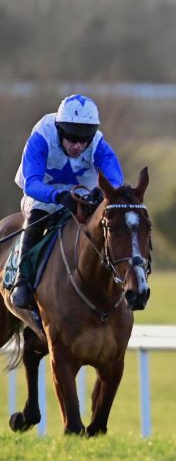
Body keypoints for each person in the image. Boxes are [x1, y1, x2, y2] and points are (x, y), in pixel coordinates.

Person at [10, 94, 124, 310]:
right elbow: (31, 184)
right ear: (59, 130)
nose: (78, 146)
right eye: (72, 138)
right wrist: (58, 197)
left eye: (84, 140)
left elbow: (115, 179)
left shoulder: (98, 143)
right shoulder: (41, 137)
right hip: (43, 196)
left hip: (84, 195)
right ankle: (22, 281)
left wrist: (101, 193)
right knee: (38, 216)